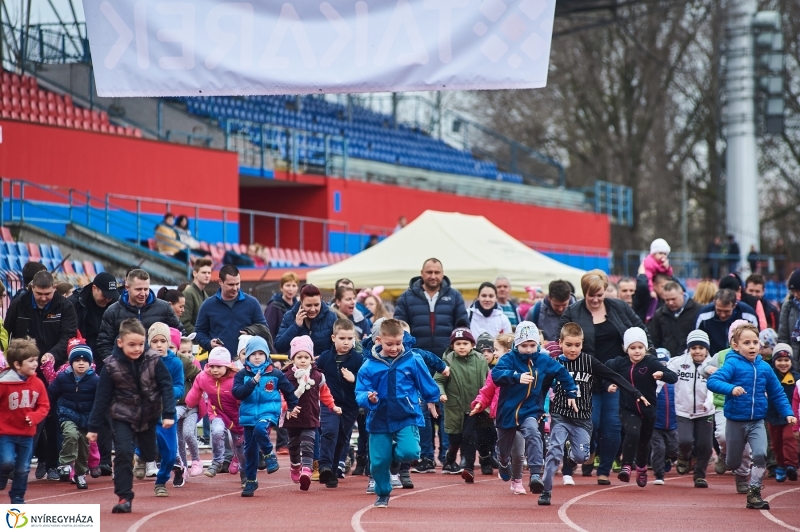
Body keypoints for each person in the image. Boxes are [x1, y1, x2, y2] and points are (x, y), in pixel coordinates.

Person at [558, 270, 651, 484]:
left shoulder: (619, 307)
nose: (595, 299)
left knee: (612, 425)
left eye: (599, 295)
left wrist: (649, 354)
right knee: (589, 422)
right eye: (591, 295)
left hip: (613, 377)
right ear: (584, 293)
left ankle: (604, 470)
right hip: (584, 377)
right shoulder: (572, 312)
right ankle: (584, 452)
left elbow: (640, 330)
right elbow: (560, 340)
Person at [537, 322, 645, 505]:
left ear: (582, 343)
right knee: (554, 452)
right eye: (568, 345)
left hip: (583, 419)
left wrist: (635, 393)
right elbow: (543, 387)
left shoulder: (588, 361)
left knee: (582, 457)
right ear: (560, 343)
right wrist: (538, 409)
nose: (573, 349)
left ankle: (572, 455)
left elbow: (612, 375)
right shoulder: (555, 364)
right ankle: (546, 491)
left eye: (577, 345)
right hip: (560, 416)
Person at [87, 319, 176, 514]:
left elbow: (166, 386)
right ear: (120, 343)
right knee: (123, 452)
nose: (137, 349)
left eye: (141, 344)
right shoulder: (110, 366)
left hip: (149, 414)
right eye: (132, 345)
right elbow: (101, 398)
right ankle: (124, 497)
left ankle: (143, 456)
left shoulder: (153, 359)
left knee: (151, 454)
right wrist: (93, 427)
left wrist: (169, 413)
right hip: (122, 415)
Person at [707, 323, 796, 509]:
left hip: (757, 421)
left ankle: (754, 492)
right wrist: (731, 389)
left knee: (760, 454)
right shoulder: (732, 364)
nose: (752, 346)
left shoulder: (765, 368)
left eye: (755, 342)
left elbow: (777, 393)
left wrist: (788, 413)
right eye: (746, 343)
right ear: (735, 345)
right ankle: (725, 455)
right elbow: (713, 381)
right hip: (735, 421)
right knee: (733, 463)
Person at [355, 318, 441, 508]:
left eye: (398, 343)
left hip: (406, 414)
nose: (394, 348)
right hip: (379, 417)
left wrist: (432, 400)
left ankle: (391, 457)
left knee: (410, 451)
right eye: (389, 344)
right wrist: (368, 398)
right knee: (378, 463)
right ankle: (383, 493)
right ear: (379, 340)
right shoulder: (368, 366)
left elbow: (425, 381)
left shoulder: (413, 359)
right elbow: (360, 391)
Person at [4, 270, 77, 481]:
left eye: (47, 293)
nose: (44, 298)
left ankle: (53, 463)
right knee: (24, 415)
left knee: (52, 416)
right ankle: (29, 460)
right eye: (39, 294)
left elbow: (68, 336)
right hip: (24, 368)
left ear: (54, 289)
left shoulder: (65, 306)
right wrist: (11, 359)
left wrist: (53, 354)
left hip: (53, 369)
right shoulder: (20, 304)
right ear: (32, 289)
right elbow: (8, 331)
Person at [492, 321, 577, 495]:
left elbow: (562, 372)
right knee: (504, 449)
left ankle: (536, 474)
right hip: (508, 411)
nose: (529, 349)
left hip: (530, 409)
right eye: (524, 346)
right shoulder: (509, 359)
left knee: (533, 433)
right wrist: (516, 376)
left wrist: (571, 391)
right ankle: (503, 461)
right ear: (517, 344)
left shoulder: (543, 360)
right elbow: (496, 375)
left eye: (532, 345)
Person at [605, 328, 678, 487]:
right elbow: (604, 371)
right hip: (628, 408)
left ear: (646, 348)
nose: (637, 351)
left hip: (648, 410)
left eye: (640, 347)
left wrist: (662, 374)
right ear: (626, 349)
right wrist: (608, 384)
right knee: (633, 432)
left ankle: (642, 468)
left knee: (644, 442)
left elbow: (673, 377)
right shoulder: (619, 363)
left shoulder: (651, 363)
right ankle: (626, 465)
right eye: (632, 348)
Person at [232, 336, 299, 497]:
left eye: (261, 354)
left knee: (260, 429)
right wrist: (252, 383)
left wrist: (292, 406)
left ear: (267, 355)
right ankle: (251, 480)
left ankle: (269, 454)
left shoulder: (275, 373)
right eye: (253, 354)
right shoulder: (242, 374)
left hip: (269, 411)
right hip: (248, 416)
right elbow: (237, 393)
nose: (257, 357)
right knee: (250, 451)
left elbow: (289, 390)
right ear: (247, 356)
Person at [436, 327, 492, 482]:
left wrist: (487, 400)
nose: (462, 347)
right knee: (456, 438)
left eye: (465, 343)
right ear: (452, 346)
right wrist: (441, 393)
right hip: (455, 407)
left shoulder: (480, 360)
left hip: (475, 407)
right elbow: (439, 380)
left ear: (472, 345)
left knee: (470, 437)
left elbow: (489, 379)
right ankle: (451, 455)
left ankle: (469, 468)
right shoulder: (447, 361)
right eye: (458, 343)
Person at [283, 335, 339, 490]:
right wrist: (286, 407)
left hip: (310, 416)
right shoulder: (286, 376)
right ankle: (295, 466)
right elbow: (280, 395)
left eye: (306, 357)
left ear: (311, 358)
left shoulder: (317, 376)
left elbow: (325, 393)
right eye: (299, 357)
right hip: (292, 418)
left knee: (308, 444)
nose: (303, 360)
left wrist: (332, 406)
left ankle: (306, 471)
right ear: (293, 358)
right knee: (294, 446)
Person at [0, 337, 50, 504]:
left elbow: (44, 405)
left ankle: (17, 497)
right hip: (6, 433)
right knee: (7, 461)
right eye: (31, 361)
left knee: (22, 469)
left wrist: (34, 417)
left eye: (36, 359)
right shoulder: (4, 383)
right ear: (17, 364)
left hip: (27, 434)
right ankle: (2, 472)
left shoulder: (38, 383)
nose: (35, 364)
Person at [96, 269, 183, 364]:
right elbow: (104, 343)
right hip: (124, 366)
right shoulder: (113, 311)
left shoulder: (164, 308)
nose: (143, 293)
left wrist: (169, 359)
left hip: (158, 366)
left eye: (146, 289)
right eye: (138, 289)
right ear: (127, 287)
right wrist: (115, 365)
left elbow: (180, 333)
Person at [184, 347, 246, 479]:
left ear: (227, 366)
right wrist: (189, 402)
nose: (214, 370)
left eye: (218, 366)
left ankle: (245, 473)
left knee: (240, 447)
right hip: (217, 412)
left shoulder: (237, 378)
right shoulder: (204, 377)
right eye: (212, 366)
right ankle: (217, 461)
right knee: (217, 431)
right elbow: (195, 391)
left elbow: (245, 397)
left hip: (237, 416)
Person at [666, 330, 715, 487]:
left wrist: (709, 402)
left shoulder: (713, 365)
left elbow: (715, 386)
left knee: (705, 446)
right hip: (683, 410)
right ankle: (683, 456)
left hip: (705, 411)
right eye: (693, 348)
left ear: (707, 349)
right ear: (688, 349)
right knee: (685, 440)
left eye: (701, 348)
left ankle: (700, 475)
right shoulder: (679, 363)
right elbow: (666, 374)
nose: (697, 351)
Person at [317, 319, 363, 487]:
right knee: (329, 432)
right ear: (333, 338)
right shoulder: (325, 357)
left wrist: (354, 378)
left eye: (350, 339)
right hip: (329, 403)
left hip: (350, 407)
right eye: (342, 338)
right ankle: (324, 466)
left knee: (341, 439)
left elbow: (366, 381)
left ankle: (333, 471)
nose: (346, 342)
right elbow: (316, 374)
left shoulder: (358, 359)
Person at [47, 343, 98, 490]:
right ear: (71, 362)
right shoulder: (62, 378)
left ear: (90, 363)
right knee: (71, 434)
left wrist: (98, 418)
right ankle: (65, 462)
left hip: (86, 417)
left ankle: (80, 474)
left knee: (83, 445)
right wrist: (51, 409)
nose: (81, 363)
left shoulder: (95, 380)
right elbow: (51, 394)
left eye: (85, 360)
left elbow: (101, 399)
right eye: (77, 360)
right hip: (67, 413)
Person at [393, 258, 468, 357]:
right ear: (422, 273)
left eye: (437, 272)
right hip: (416, 357)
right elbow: (398, 328)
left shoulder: (455, 296)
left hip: (448, 357)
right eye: (429, 272)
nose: (433, 276)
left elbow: (463, 328)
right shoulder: (406, 297)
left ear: (442, 274)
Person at [146, 323, 185, 495]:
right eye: (155, 341)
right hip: (148, 413)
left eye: (163, 341)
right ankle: (140, 456)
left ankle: (161, 482)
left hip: (168, 414)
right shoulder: (144, 362)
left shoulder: (175, 363)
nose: (159, 345)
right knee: (148, 444)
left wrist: (165, 391)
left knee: (169, 455)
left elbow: (180, 388)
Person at [195, 265, 266, 358]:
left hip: (246, 361)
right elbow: (199, 332)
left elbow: (264, 329)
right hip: (218, 362)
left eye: (238, 283)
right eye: (231, 285)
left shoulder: (252, 303)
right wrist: (209, 343)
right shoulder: (208, 305)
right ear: (220, 282)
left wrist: (251, 332)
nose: (235, 288)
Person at [766, 344, 799, 482]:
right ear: (774, 361)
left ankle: (791, 465)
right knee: (776, 443)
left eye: (786, 360)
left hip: (790, 416)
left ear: (791, 361)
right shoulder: (769, 377)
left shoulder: (796, 379)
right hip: (773, 415)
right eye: (779, 360)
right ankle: (780, 465)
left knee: (789, 439)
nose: (783, 363)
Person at [276, 284, 338, 356]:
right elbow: (279, 347)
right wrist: (296, 326)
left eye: (316, 305)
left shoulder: (331, 316)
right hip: (298, 363)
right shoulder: (289, 316)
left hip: (324, 362)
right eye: (308, 305)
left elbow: (339, 345)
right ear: (301, 302)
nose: (313, 309)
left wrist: (324, 357)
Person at [173, 330, 202, 477]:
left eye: (190, 351)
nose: (188, 354)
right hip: (177, 407)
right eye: (183, 352)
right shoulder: (173, 365)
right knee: (178, 439)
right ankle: (182, 466)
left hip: (191, 407)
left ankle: (196, 460)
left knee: (188, 433)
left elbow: (201, 378)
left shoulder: (193, 365)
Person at [696, 289, 758, 355]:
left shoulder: (749, 315)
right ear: (714, 303)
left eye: (727, 311)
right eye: (719, 310)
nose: (722, 315)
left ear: (734, 306)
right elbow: (696, 339)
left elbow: (756, 339)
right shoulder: (704, 315)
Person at [648, 281, 701, 358]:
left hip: (692, 358)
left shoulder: (698, 310)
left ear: (682, 294)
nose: (670, 303)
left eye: (673, 299)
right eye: (667, 300)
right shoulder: (659, 314)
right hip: (667, 360)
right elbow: (654, 340)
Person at [650, 349, 678, 486]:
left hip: (673, 424)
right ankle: (659, 474)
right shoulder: (652, 383)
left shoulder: (674, 383)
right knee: (658, 448)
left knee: (674, 449)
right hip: (656, 424)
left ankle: (669, 457)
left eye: (664, 364)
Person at [526, 280, 574, 346]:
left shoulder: (578, 311)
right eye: (556, 305)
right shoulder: (535, 311)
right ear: (549, 298)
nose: (560, 309)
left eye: (564, 305)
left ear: (569, 297)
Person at [180, 258, 212, 335]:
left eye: (209, 273)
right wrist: (201, 337)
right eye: (204, 272)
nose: (207, 275)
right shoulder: (188, 293)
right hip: (193, 340)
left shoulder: (205, 295)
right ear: (195, 273)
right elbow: (184, 322)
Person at [264, 272, 299, 338]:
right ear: (281, 287)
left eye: (294, 286)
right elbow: (268, 332)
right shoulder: (273, 306)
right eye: (288, 285)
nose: (291, 289)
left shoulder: (299, 307)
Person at [778, 269, 800, 364]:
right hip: (792, 361)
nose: (796, 295)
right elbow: (783, 337)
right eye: (793, 291)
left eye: (798, 291)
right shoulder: (788, 306)